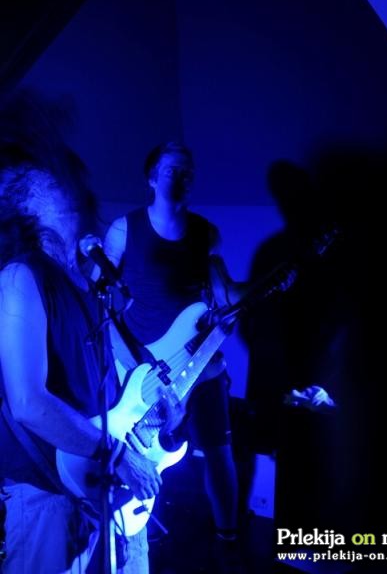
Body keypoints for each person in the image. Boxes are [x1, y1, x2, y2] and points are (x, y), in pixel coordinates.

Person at [0, 92, 160, 573]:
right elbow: (28, 402)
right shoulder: (21, 277)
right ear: (28, 201)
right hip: (48, 493)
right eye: (53, 183)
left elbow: (110, 383)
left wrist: (156, 411)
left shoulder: (89, 282)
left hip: (101, 481)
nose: (70, 194)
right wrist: (113, 454)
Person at [102, 142, 242, 547]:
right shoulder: (123, 229)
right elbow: (102, 303)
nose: (181, 177)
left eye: (187, 171)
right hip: (142, 364)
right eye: (171, 170)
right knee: (143, 447)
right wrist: (127, 359)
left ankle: (229, 540)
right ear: (151, 178)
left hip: (201, 359)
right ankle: (133, 529)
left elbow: (225, 293)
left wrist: (270, 282)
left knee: (218, 449)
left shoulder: (206, 233)